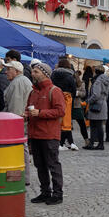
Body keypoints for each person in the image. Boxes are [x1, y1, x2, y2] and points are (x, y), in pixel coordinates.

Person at [26, 61, 66, 205]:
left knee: (52, 164)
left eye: (36, 71)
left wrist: (40, 113)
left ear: (45, 73)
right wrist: (26, 114)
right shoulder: (33, 92)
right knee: (40, 165)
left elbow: (61, 111)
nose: (33, 74)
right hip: (35, 134)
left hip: (49, 134)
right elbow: (28, 109)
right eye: (33, 71)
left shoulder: (54, 91)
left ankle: (57, 194)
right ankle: (45, 192)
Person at [2, 59, 34, 182]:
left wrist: (12, 123)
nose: (6, 72)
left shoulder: (18, 82)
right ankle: (22, 176)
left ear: (17, 71)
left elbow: (15, 106)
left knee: (19, 147)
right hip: (19, 120)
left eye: (9, 69)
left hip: (17, 122)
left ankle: (21, 176)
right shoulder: (19, 81)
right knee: (21, 147)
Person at [51, 58, 79, 151]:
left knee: (57, 121)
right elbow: (74, 89)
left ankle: (63, 143)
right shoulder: (70, 76)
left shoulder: (53, 75)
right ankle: (66, 143)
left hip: (55, 98)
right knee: (66, 122)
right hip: (67, 99)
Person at [84, 65, 109, 150]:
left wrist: (87, 101)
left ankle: (95, 144)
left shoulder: (98, 81)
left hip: (96, 105)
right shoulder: (106, 79)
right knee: (99, 125)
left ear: (96, 71)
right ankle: (99, 144)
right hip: (103, 103)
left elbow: (96, 95)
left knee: (94, 125)